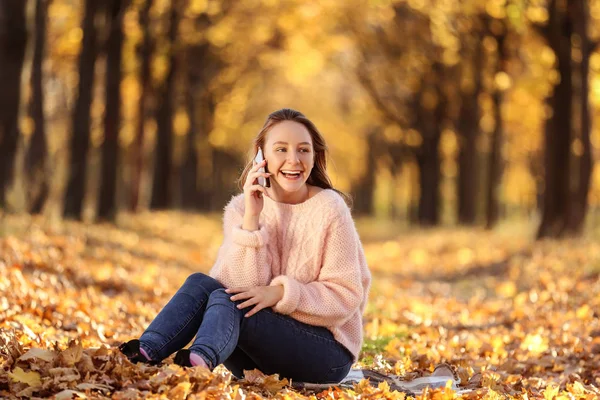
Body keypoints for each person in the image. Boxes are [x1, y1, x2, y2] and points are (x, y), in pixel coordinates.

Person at [119, 108, 371, 383]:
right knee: (202, 284)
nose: (294, 160)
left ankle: (197, 364)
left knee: (229, 300)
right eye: (281, 149)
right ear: (261, 155)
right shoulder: (241, 209)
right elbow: (234, 287)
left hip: (325, 354)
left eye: (303, 150)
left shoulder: (330, 208)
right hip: (252, 355)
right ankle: (145, 352)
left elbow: (345, 297)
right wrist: (252, 220)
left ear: (315, 156)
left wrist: (278, 293)